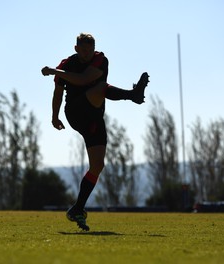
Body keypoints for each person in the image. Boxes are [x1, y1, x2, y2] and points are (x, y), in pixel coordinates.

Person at [41, 33, 149, 231]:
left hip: (95, 116)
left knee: (97, 166)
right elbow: (58, 92)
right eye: (83, 50)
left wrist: (55, 71)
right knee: (101, 87)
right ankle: (132, 95)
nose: (87, 53)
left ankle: (77, 208)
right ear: (76, 48)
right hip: (75, 111)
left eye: (89, 50)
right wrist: (54, 117)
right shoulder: (67, 63)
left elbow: (83, 80)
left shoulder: (101, 59)